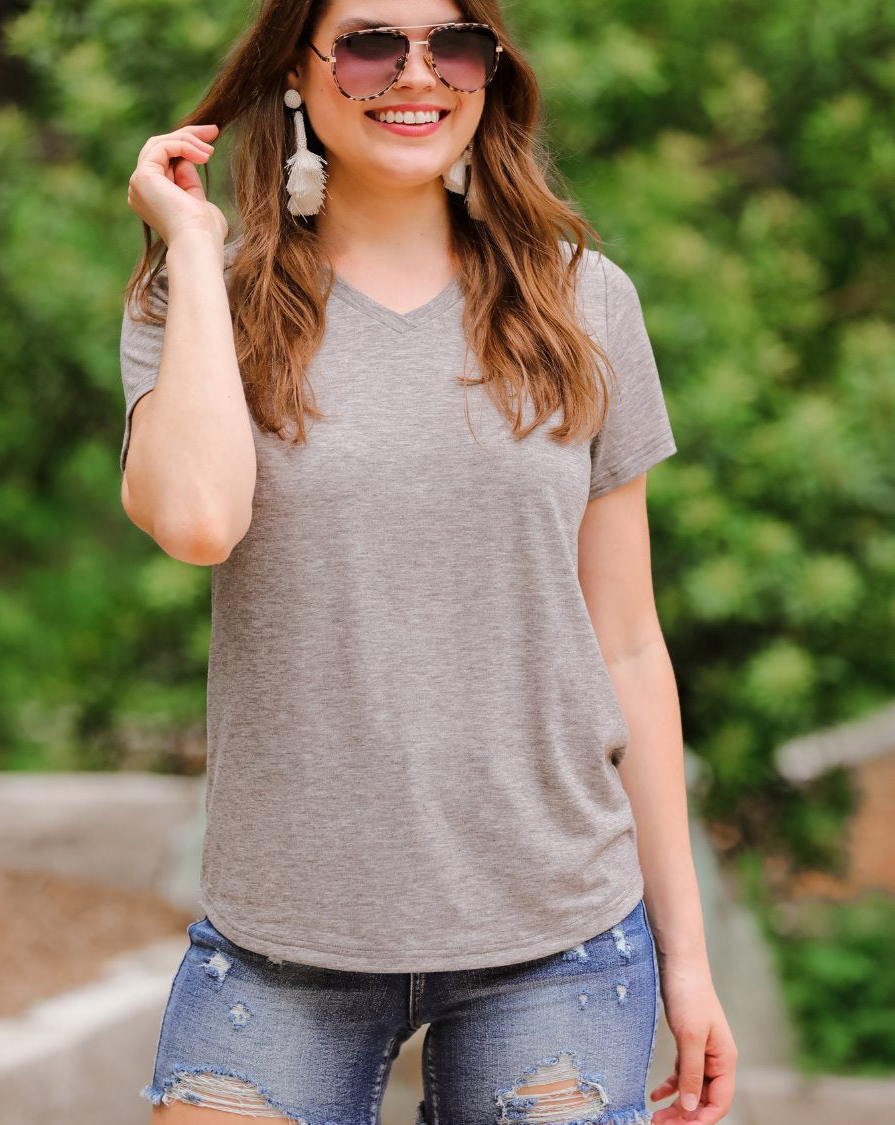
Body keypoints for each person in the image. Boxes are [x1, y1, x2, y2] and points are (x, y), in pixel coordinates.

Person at [120, 0, 738, 1122]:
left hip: (558, 932)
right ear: (297, 76)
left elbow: (629, 644)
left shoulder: (583, 300)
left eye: (452, 44)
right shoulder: (197, 301)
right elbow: (199, 520)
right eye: (368, 42)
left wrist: (687, 961)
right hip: (282, 939)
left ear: (489, 72)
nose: (416, 74)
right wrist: (198, 248)